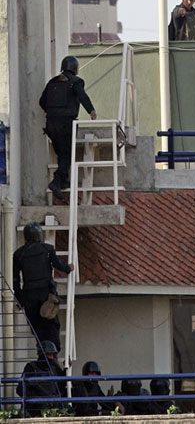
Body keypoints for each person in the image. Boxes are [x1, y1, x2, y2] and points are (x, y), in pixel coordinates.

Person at [39, 55, 96, 200]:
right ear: (75, 68)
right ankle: (56, 181)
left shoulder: (52, 82)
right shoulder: (76, 81)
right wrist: (91, 110)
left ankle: (63, 182)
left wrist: (53, 113)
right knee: (67, 154)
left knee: (62, 153)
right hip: (66, 125)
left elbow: (42, 102)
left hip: (51, 125)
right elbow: (82, 96)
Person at [13, 222, 74, 352]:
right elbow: (58, 264)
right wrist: (69, 268)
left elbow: (15, 280)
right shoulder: (47, 249)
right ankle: (53, 354)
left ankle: (43, 355)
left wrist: (19, 299)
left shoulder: (18, 254)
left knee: (37, 329)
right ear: (39, 235)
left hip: (29, 298)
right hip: (46, 296)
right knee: (51, 325)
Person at [16, 340, 65, 417]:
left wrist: (66, 369)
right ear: (42, 355)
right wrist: (39, 399)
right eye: (49, 355)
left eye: (53, 355)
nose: (52, 357)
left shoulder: (54, 368)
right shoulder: (31, 368)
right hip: (34, 411)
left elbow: (61, 385)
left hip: (52, 410)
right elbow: (20, 389)